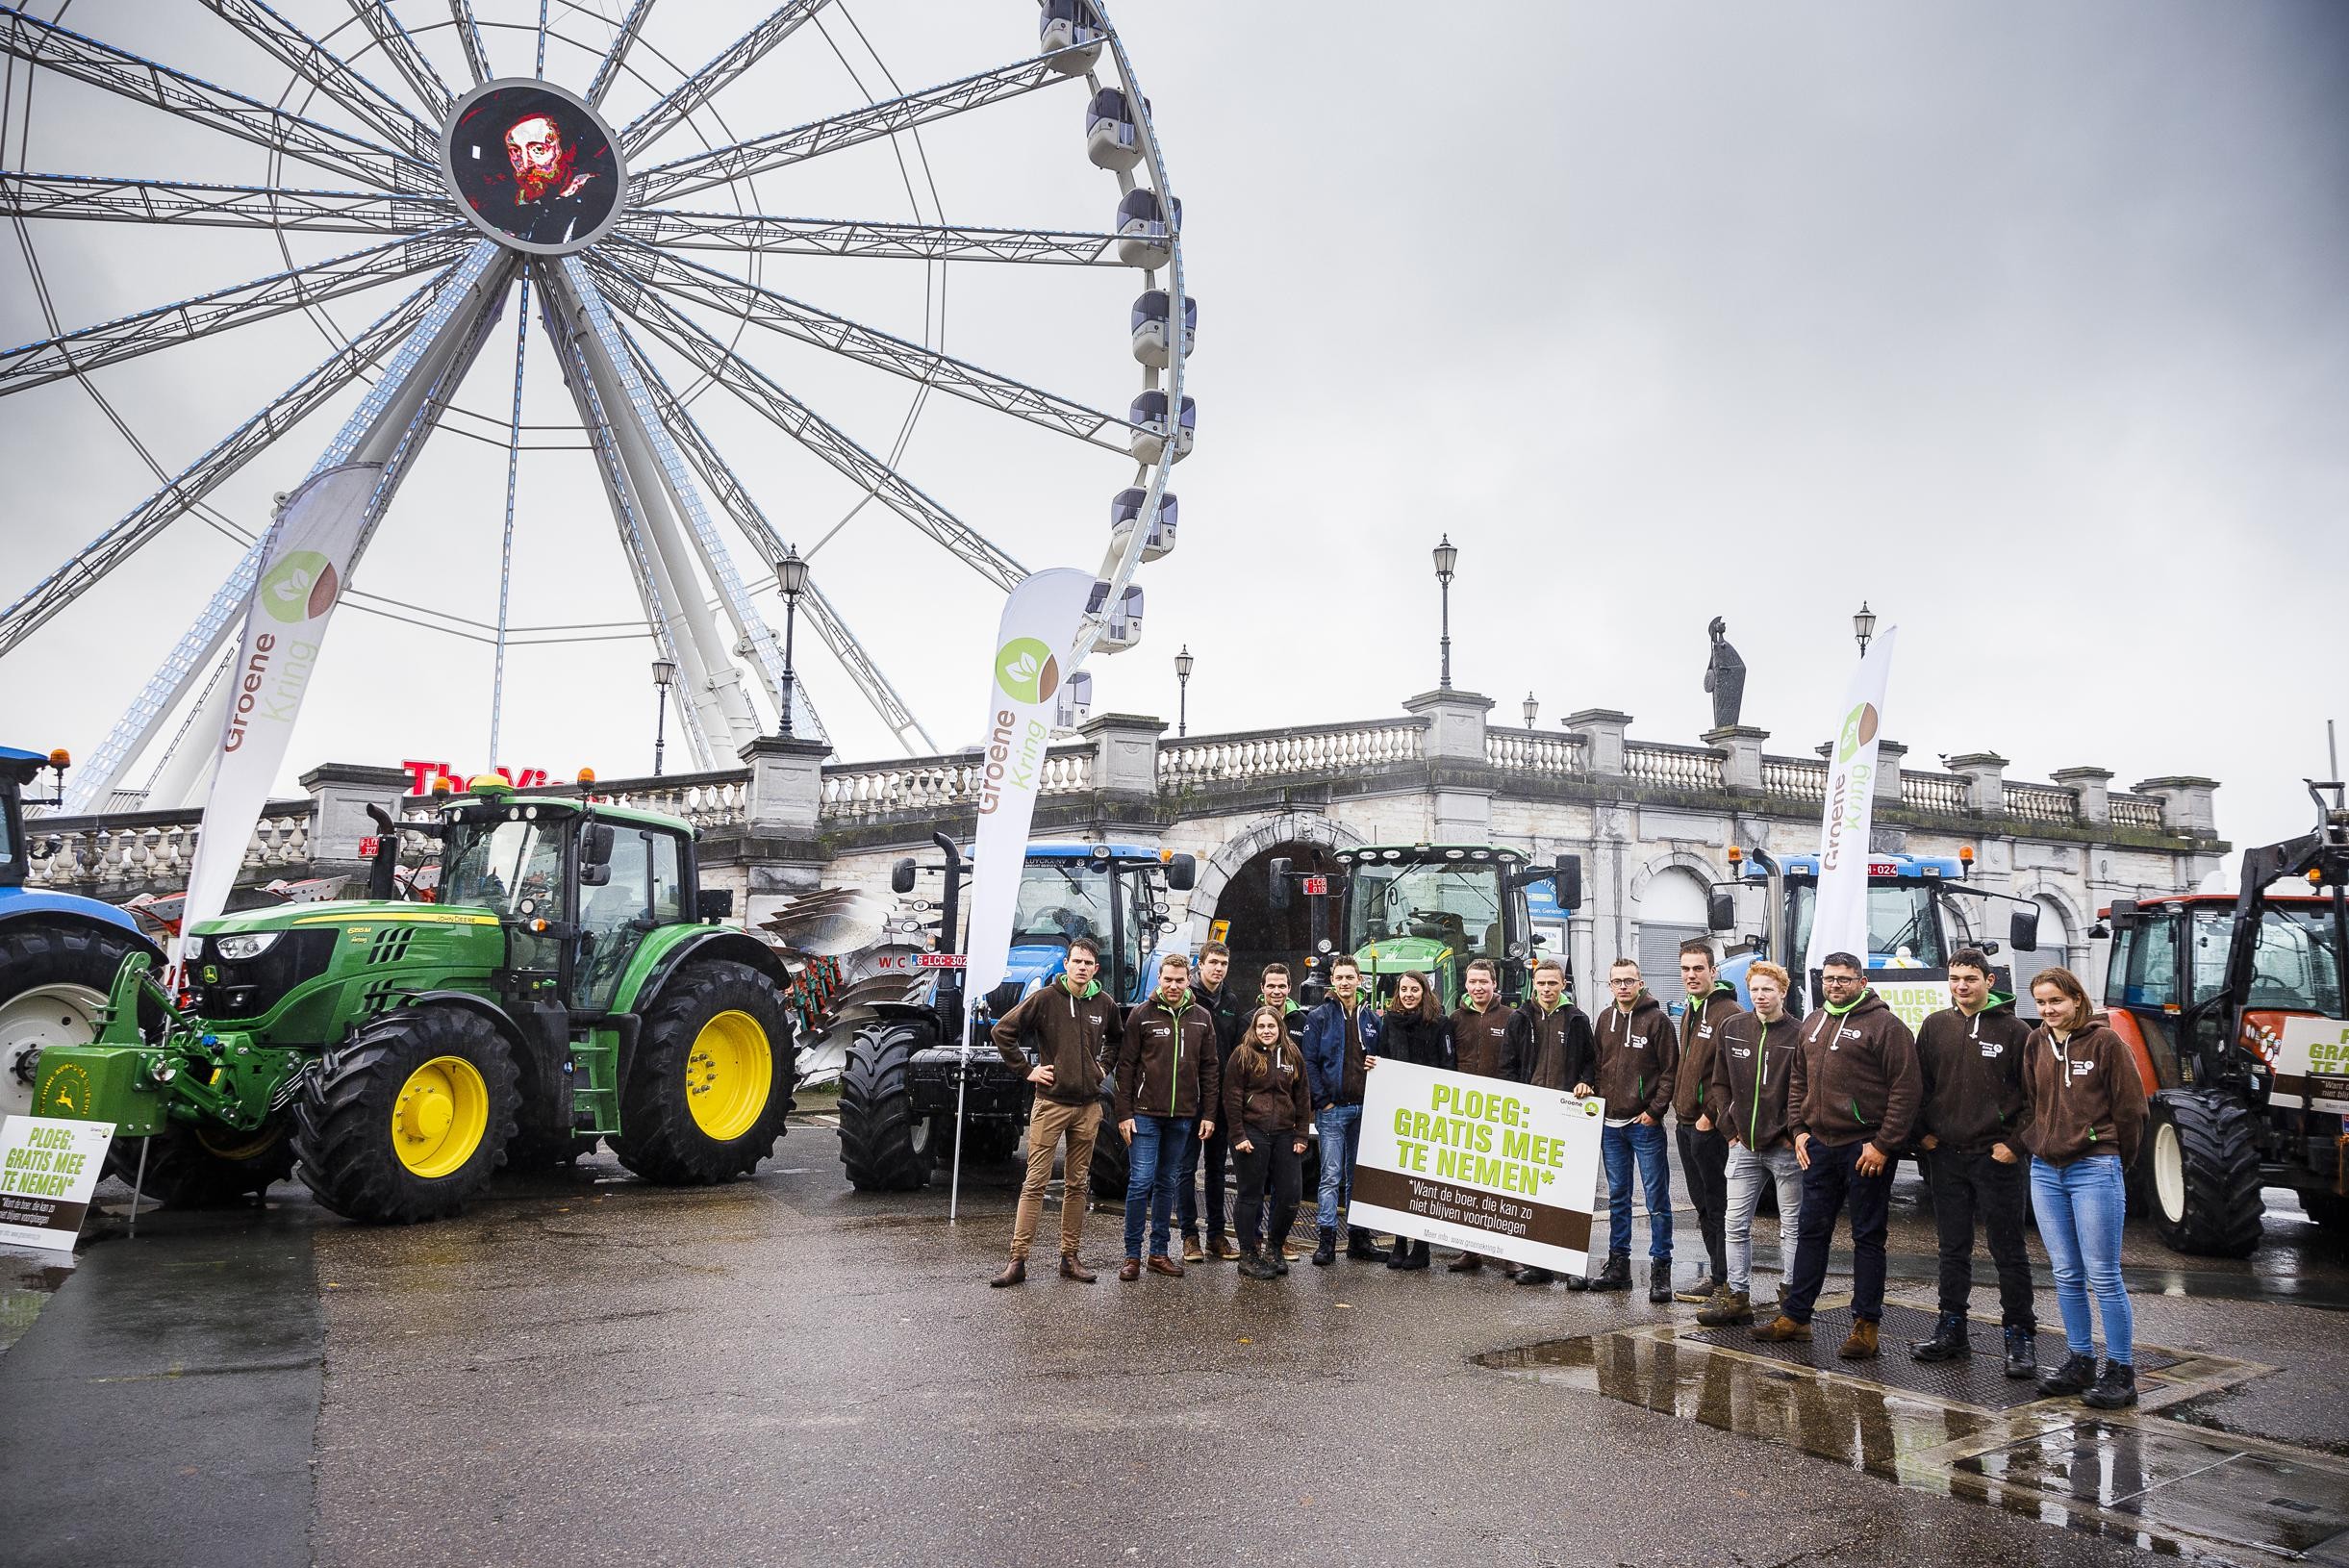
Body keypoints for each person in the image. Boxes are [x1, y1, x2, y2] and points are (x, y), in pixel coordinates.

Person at [1754, 953, 1922, 1359]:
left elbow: (1906, 1090)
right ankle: (1797, 1316)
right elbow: (1798, 1079)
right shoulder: (1813, 1022)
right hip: (1819, 1146)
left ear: (1861, 982)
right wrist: (1799, 1131)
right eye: (1829, 979)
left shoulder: (1886, 1027)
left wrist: (1883, 1144)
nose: (1835, 985)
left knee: (1867, 1237)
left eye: (1844, 979)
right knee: (1812, 1232)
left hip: (1865, 1149)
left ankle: (1866, 1325)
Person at [2022, 966, 2147, 1409]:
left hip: (2095, 1167)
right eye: (2041, 1002)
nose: (2048, 1010)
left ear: (2077, 999)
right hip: (2045, 1170)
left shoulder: (2106, 1042)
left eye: (2056, 1000)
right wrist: (2035, 1141)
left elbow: (2132, 1110)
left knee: (2103, 1274)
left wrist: (2114, 1157)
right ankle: (2080, 1359)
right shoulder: (2035, 1042)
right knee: (2066, 1273)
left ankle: (2121, 1371)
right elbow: (2029, 1102)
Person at [1909, 948, 2038, 1376]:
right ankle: (1952, 1328)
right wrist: (1922, 1134)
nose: (1962, 985)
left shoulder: (2017, 1032)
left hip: (1997, 1158)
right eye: (1955, 978)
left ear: (1989, 981)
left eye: (1971, 978)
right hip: (1946, 1156)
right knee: (1952, 1248)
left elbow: (2035, 1099)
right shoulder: (1935, 1027)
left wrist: (2015, 1145)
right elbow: (1918, 1085)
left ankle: (2019, 1336)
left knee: (2009, 1250)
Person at [988, 937, 1120, 1286]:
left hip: (1088, 1107)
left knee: (1078, 1185)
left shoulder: (1104, 1003)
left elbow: (1118, 1040)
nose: (1081, 967)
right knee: (1035, 1183)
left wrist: (1102, 1068)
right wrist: (1027, 1070)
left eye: (1088, 963)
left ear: (1095, 968)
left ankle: (1069, 1257)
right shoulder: (1045, 999)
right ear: (1066, 965)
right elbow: (1002, 1030)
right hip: (1051, 1104)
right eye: (1076, 961)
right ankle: (1018, 1260)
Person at [1695, 962, 1804, 1326]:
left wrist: (1791, 1133)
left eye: (1768, 989)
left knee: (1792, 1226)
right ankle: (1737, 1295)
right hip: (1743, 1144)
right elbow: (1719, 1081)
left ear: (1782, 993)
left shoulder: (1798, 1033)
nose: (1761, 996)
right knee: (1735, 1222)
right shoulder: (1733, 1027)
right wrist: (1729, 1126)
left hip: (1784, 1149)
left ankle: (1791, 1297)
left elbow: (1803, 1090)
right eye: (1755, 989)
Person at [1566, 958, 1678, 1302]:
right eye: (1618, 981)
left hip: (1643, 1125)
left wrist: (1655, 1111)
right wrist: (1593, 1092)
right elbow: (1597, 1065)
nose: (1624, 986)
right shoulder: (1604, 1019)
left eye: (1630, 980)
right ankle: (1619, 1267)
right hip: (1610, 1125)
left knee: (1657, 1200)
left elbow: (1670, 1071)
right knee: (1618, 1199)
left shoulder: (1657, 1021)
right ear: (1610, 985)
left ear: (1640, 983)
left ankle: (1661, 1271)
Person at [1113, 953, 1220, 1281]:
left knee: (1166, 1184)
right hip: (1144, 1114)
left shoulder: (1202, 1017)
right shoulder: (1141, 1016)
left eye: (1179, 979)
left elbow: (1210, 1069)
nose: (1173, 985)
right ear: (1159, 978)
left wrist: (1209, 1114)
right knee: (1140, 1182)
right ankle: (1132, 1255)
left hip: (1183, 1116)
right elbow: (1126, 1067)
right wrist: (1123, 1113)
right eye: (1168, 979)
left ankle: (1158, 1253)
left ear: (1189, 979)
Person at [1503, 959, 1595, 1286]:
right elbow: (1508, 1066)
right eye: (1541, 983)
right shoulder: (1520, 1018)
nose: (1546, 989)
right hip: (1532, 1114)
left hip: (1567, 1115)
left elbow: (1590, 1063)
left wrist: (1585, 1082)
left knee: (1570, 1194)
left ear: (1563, 985)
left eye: (1553, 984)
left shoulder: (1578, 1020)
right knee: (1535, 1191)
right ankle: (1540, 1265)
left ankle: (1572, 1266)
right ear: (1534, 984)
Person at [1301, 952, 1384, 1266]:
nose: (1345, 982)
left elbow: (1382, 1059)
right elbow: (1309, 1062)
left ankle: (1359, 1239)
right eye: (1340, 978)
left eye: (1351, 977)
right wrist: (1322, 1100)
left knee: (1358, 1177)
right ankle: (1326, 1240)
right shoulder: (1319, 1017)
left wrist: (1377, 1064)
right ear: (1333, 981)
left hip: (1363, 1109)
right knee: (1330, 1175)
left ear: (1359, 980)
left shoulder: (1372, 1020)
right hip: (1333, 1110)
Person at [1671, 939, 1742, 1302]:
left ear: (1713, 971)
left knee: (1718, 1204)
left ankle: (1726, 1280)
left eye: (1698, 968)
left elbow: (1730, 1072)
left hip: (1707, 1127)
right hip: (1684, 1123)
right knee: (1702, 1204)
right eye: (1685, 969)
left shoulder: (1726, 1012)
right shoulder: (1691, 1009)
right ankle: (1717, 1277)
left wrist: (1709, 1116)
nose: (1691, 975)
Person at [1225, 1005, 1314, 1279]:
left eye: (1271, 1026)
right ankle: (1248, 1255)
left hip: (1286, 1134)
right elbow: (1231, 1097)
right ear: (1254, 1029)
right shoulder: (1242, 1055)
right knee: (1250, 1195)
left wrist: (1301, 1134)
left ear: (1280, 1029)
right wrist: (1238, 1135)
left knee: (1290, 1195)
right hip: (1252, 1132)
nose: (1266, 1031)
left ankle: (1274, 1249)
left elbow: (1303, 1097)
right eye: (1261, 1026)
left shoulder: (1292, 1054)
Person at [1446, 957, 1522, 1275]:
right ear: (1465, 984)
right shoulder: (1454, 1019)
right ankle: (1470, 1250)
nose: (1478, 987)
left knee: (1502, 1185)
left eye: (1484, 982)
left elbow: (1519, 1062)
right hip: (1464, 1112)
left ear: (1494, 985)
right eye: (1473, 982)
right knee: (1467, 1184)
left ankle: (1508, 1253)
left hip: (1501, 1112)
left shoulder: (1511, 1018)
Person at [1177, 941, 1249, 1264]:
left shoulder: (1230, 1000)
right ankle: (1189, 1236)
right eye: (1213, 962)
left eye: (1223, 963)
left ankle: (1217, 1235)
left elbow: (1235, 1052)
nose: (1218, 968)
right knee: (1186, 1168)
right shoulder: (1188, 999)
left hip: (1220, 1098)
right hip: (1190, 1098)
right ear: (1200, 964)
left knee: (1217, 1170)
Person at [1377, 972, 1452, 1270]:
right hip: (1399, 1109)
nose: (1409, 994)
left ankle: (1421, 1248)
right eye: (1404, 989)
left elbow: (1448, 1066)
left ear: (1425, 991)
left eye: (1415, 989)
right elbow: (1381, 1058)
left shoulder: (1440, 1023)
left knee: (1423, 1182)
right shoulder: (1389, 1022)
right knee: (1400, 1180)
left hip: (1427, 1111)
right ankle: (1399, 1243)